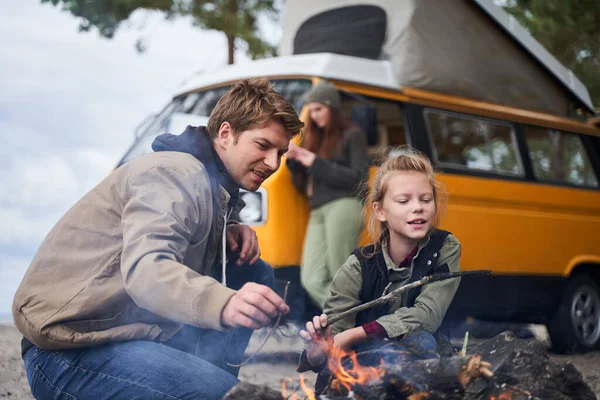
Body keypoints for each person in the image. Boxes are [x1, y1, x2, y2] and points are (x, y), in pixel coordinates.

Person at [12, 79, 304, 400]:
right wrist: (224, 302)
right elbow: (148, 271)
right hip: (69, 353)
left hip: (125, 336)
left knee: (252, 271)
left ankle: (209, 376)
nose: (273, 163)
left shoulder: (210, 187)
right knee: (234, 396)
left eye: (280, 152)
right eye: (263, 146)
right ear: (225, 133)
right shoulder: (172, 174)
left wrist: (227, 227)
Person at [297, 146, 462, 394]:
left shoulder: (444, 248)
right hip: (365, 362)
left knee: (423, 339)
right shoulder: (358, 266)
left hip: (416, 360)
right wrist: (317, 350)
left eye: (426, 200)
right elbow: (336, 339)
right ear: (380, 210)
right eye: (404, 201)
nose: (417, 207)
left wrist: (358, 333)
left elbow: (427, 314)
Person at [286, 81, 370, 311]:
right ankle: (354, 316)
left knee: (339, 274)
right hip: (318, 209)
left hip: (344, 206)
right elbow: (305, 187)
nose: (313, 116)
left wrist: (314, 161)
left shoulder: (352, 135)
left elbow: (358, 178)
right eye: (310, 110)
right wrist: (295, 165)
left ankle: (352, 325)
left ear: (332, 108)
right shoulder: (314, 139)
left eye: (318, 109)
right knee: (311, 278)